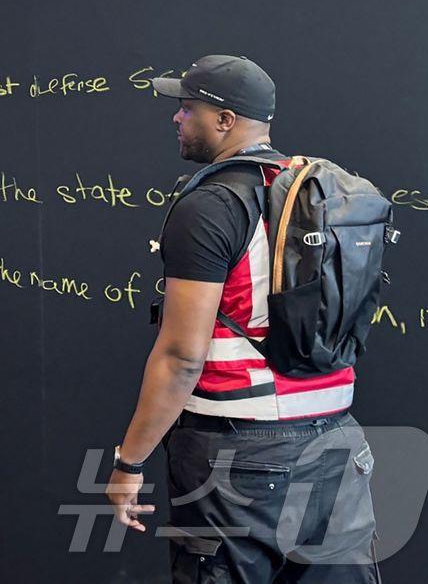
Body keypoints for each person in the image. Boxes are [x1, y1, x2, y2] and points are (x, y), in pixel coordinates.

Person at [107, 54, 379, 583]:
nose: (177, 117)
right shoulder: (318, 193)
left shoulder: (211, 206)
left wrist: (129, 462)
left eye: (188, 108)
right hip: (338, 446)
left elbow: (182, 357)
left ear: (225, 120)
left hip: (239, 455)